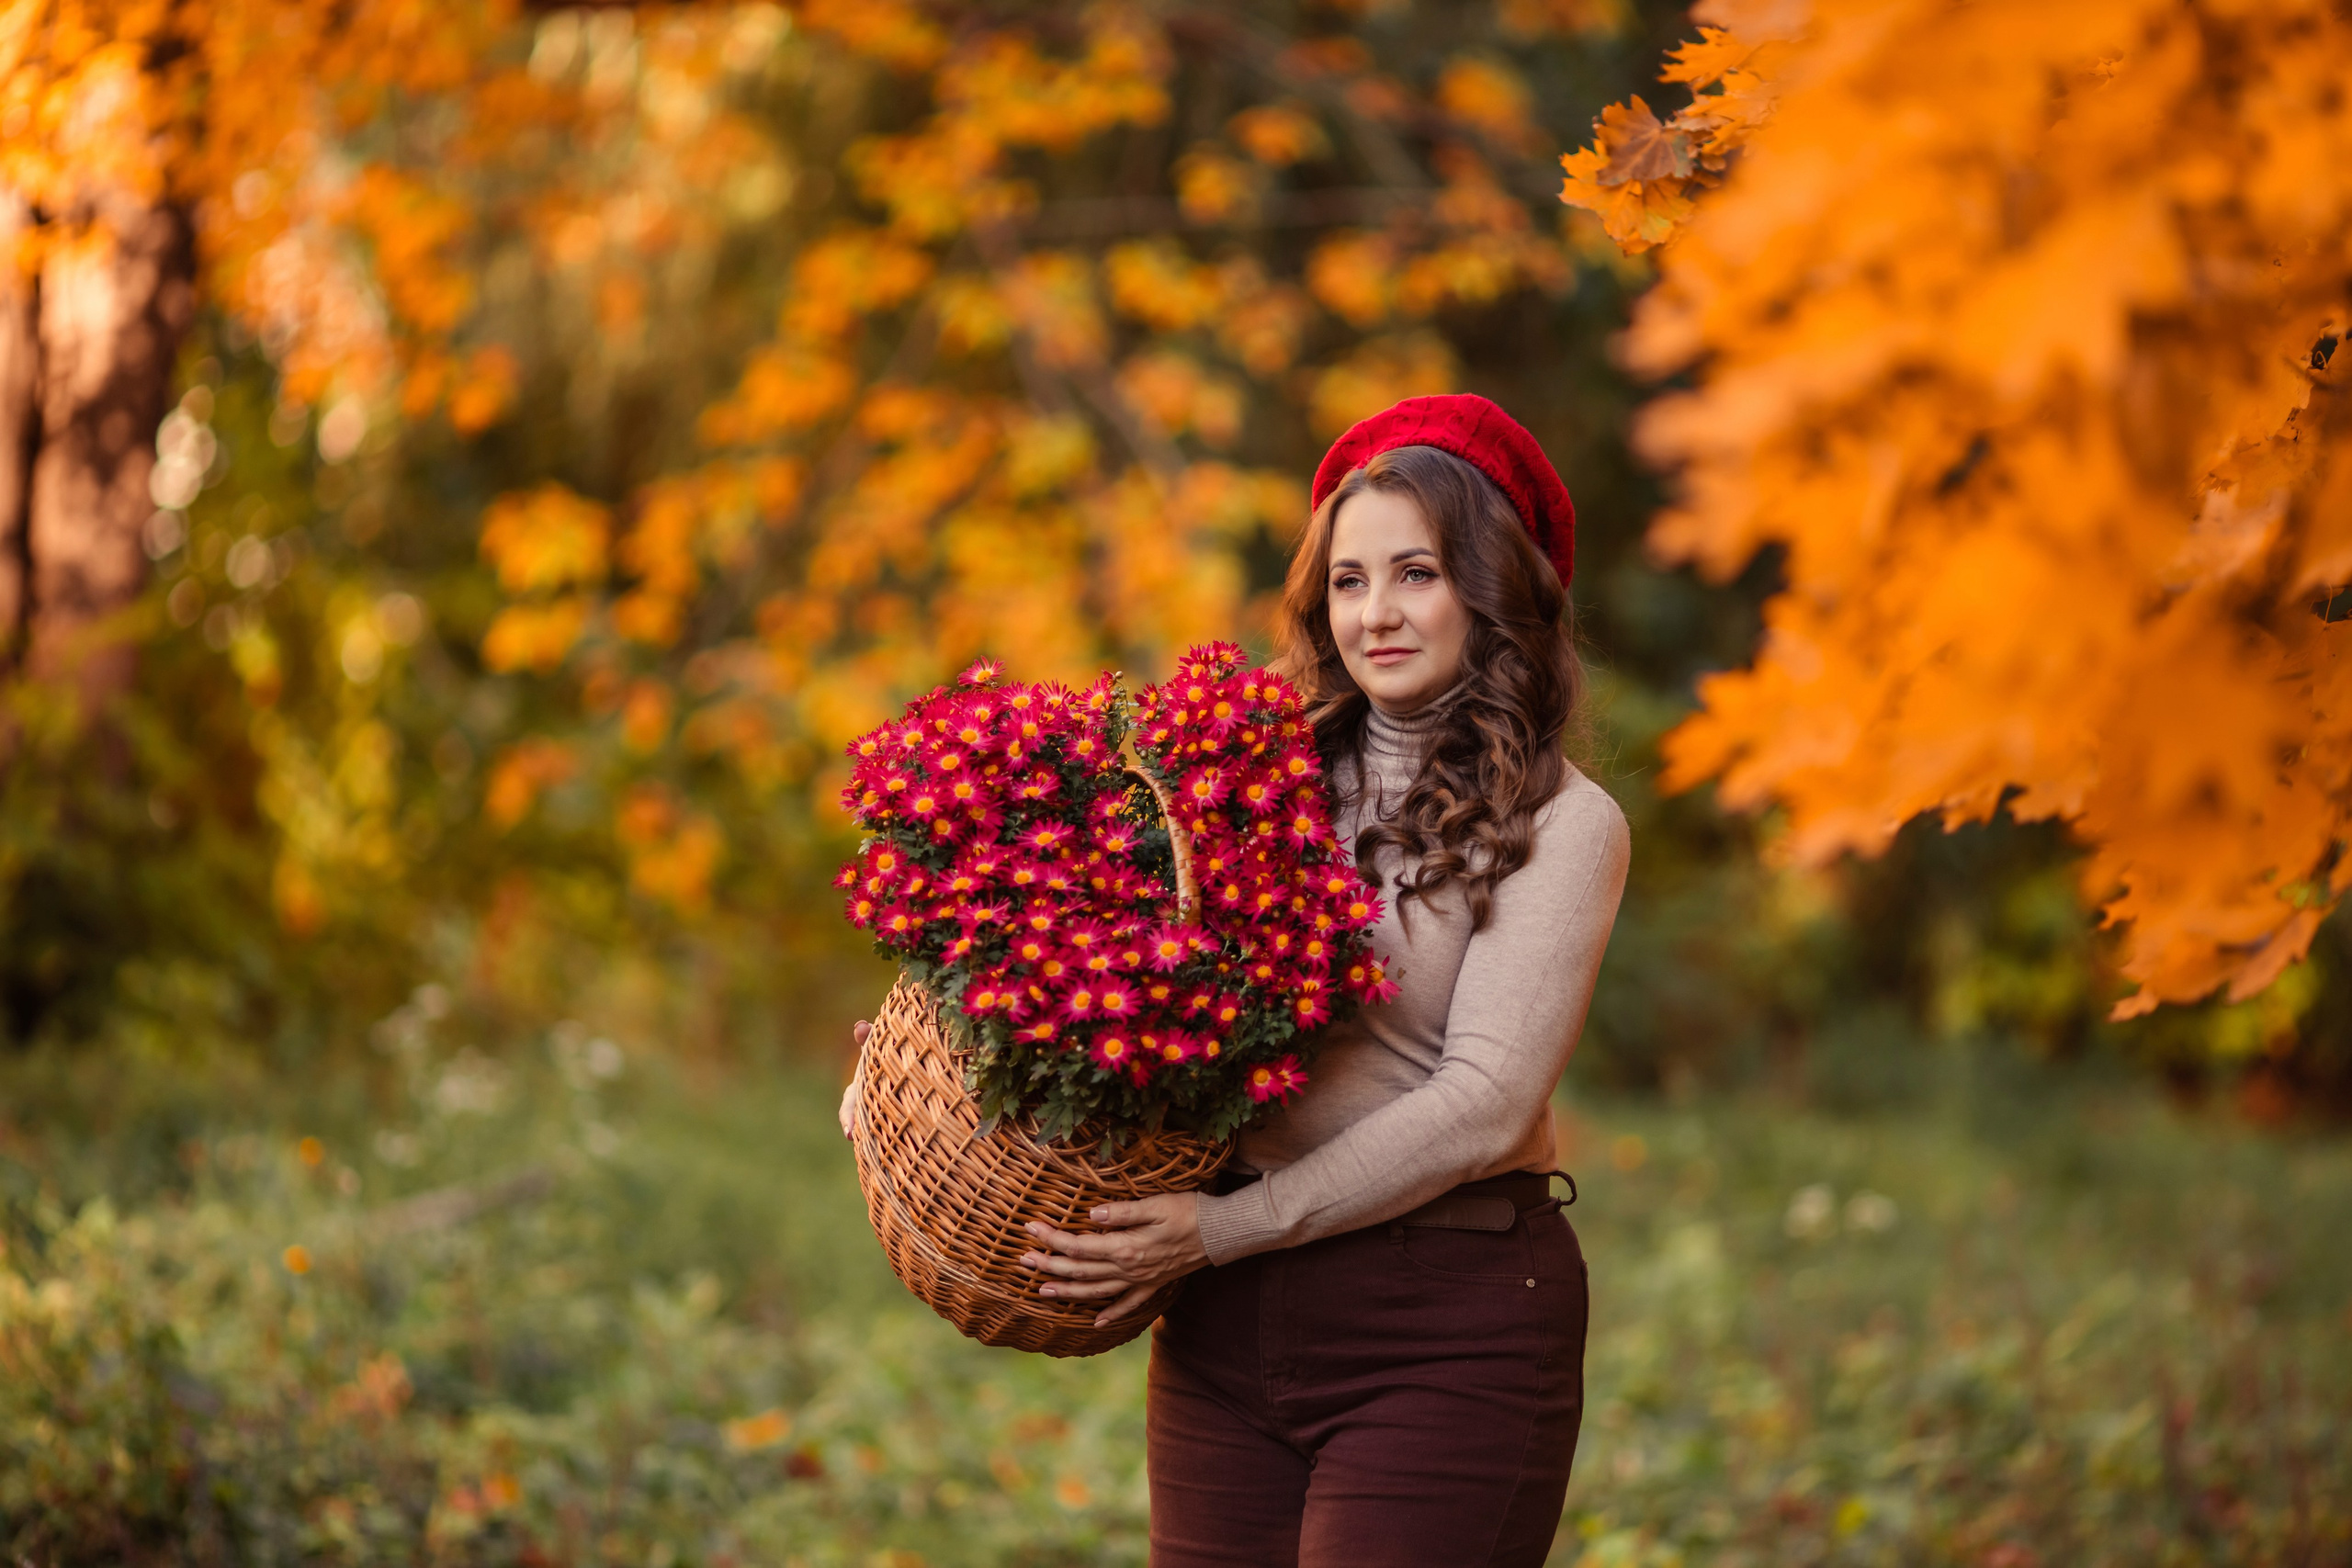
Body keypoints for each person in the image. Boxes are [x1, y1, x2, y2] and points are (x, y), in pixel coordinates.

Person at [842, 394, 1630, 1567]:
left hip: (1441, 1325)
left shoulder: (1564, 822)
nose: (1375, 613)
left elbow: (1484, 1103)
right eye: (1349, 581)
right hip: (1222, 1329)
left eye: (1415, 574)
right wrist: (929, 1073)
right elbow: (1093, 967)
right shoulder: (1245, 773)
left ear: (1492, 587)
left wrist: (1220, 1230)